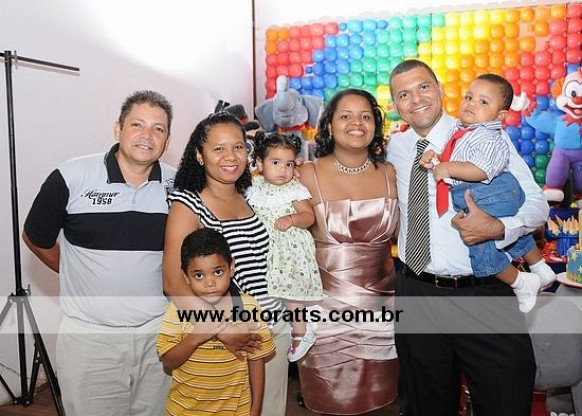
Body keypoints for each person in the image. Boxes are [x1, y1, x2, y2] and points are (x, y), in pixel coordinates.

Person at [387, 59, 549, 416]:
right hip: (416, 293)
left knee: (506, 398)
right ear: (395, 104)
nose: (416, 99)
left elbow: (537, 205)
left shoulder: (481, 134)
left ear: (441, 89)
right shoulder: (394, 148)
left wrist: (499, 228)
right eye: (404, 94)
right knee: (425, 404)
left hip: (482, 291)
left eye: (423, 87)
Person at [22, 90, 175, 415]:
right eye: (137, 124)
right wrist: (74, 271)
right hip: (91, 340)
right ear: (118, 129)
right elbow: (36, 237)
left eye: (158, 128)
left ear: (167, 140)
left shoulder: (177, 186)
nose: (147, 135)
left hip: (158, 336)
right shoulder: (71, 177)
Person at [162, 111, 290, 416]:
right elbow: (173, 281)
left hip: (273, 327)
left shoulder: (252, 195)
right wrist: (221, 329)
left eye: (238, 147)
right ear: (199, 155)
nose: (230, 156)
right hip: (228, 337)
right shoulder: (188, 204)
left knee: (270, 409)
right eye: (218, 148)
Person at [296, 88, 399, 415]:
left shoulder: (390, 173)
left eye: (365, 116)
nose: (357, 123)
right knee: (329, 405)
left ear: (376, 125)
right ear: (329, 125)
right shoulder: (305, 174)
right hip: (325, 318)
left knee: (382, 404)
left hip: (383, 311)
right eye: (346, 115)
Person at [418, 73, 556, 312]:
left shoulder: (489, 136)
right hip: (488, 194)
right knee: (498, 232)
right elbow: (458, 156)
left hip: (489, 192)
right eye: (469, 97)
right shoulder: (462, 132)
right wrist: (438, 159)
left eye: (483, 102)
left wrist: (448, 168)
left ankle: (520, 282)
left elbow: (482, 170)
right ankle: (539, 267)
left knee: (479, 244)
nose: (472, 104)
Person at [157, 228, 275, 416]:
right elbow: (168, 361)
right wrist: (196, 337)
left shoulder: (248, 307)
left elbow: (256, 360)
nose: (209, 283)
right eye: (199, 275)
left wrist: (255, 410)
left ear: (232, 267)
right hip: (184, 411)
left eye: (218, 272)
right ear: (186, 276)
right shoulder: (178, 309)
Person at [246, 131, 323, 362]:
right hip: (265, 249)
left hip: (290, 249)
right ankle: (274, 326)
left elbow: (309, 216)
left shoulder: (294, 189)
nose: (283, 170)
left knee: (291, 293)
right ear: (260, 163)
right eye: (276, 163)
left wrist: (291, 219)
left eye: (289, 164)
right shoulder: (253, 186)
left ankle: (301, 332)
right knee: (268, 292)